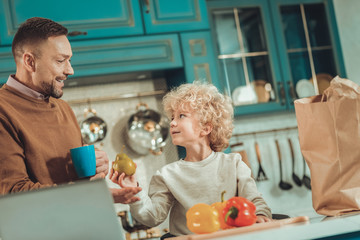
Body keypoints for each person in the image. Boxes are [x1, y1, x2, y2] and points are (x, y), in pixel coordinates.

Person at [0, 17, 141, 203]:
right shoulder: (4, 110)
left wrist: (98, 168)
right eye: (61, 60)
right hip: (41, 232)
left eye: (69, 60)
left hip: (84, 226)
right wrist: (88, 193)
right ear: (30, 62)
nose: (70, 70)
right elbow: (13, 192)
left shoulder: (63, 107)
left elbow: (76, 181)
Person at [110, 81, 272, 237]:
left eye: (181, 116)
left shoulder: (233, 163)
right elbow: (152, 218)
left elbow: (254, 200)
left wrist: (260, 215)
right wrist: (134, 193)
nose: (172, 123)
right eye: (172, 117)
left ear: (206, 128)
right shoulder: (166, 174)